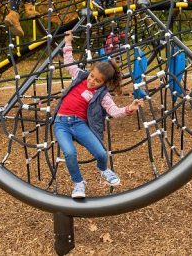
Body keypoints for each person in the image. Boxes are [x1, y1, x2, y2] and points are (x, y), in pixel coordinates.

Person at [53, 31, 143, 198]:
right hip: (61, 123)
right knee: (70, 153)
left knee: (101, 153)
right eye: (92, 76)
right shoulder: (80, 76)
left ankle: (103, 170)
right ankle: (79, 183)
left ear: (104, 83)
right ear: (90, 71)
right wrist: (68, 42)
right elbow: (68, 62)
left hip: (79, 124)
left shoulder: (102, 95)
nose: (92, 81)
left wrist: (128, 108)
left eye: (97, 80)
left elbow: (114, 112)